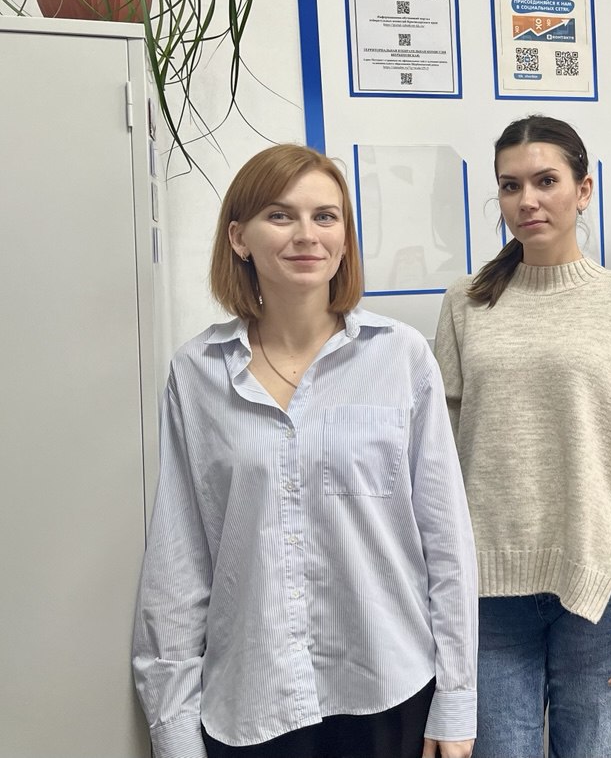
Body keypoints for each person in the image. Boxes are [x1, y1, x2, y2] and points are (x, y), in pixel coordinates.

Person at [133, 144, 478, 758]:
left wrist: (456, 699)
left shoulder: (401, 358)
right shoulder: (198, 372)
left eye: (325, 216)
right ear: (239, 238)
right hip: (252, 700)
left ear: (344, 239)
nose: (306, 235)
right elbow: (179, 560)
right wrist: (173, 726)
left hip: (388, 692)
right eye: (280, 215)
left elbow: (446, 542)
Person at [433, 116, 611, 758]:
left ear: (583, 189)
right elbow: (438, 454)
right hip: (486, 589)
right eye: (510, 185)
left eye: (546, 181)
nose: (527, 200)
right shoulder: (466, 303)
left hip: (599, 581)